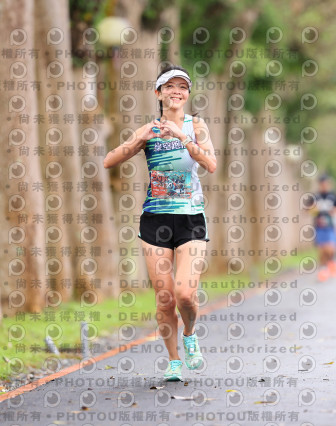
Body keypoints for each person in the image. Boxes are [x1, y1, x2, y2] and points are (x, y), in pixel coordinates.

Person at [103, 65, 217, 381]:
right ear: (159, 93)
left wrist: (183, 137)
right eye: (169, 86)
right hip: (155, 220)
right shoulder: (148, 130)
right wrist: (139, 138)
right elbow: (109, 161)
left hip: (191, 219)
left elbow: (210, 164)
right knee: (165, 298)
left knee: (185, 294)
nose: (176, 91)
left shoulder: (197, 126)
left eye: (182, 87)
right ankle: (174, 360)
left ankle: (190, 334)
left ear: (187, 94)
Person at [304, 173, 336, 282]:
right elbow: (307, 209)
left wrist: (335, 211)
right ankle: (323, 270)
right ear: (320, 184)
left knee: (331, 248)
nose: (325, 185)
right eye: (322, 184)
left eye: (326, 183)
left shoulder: (333, 196)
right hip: (319, 226)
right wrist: (314, 209)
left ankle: (331, 262)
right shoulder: (315, 197)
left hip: (331, 226)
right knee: (322, 249)